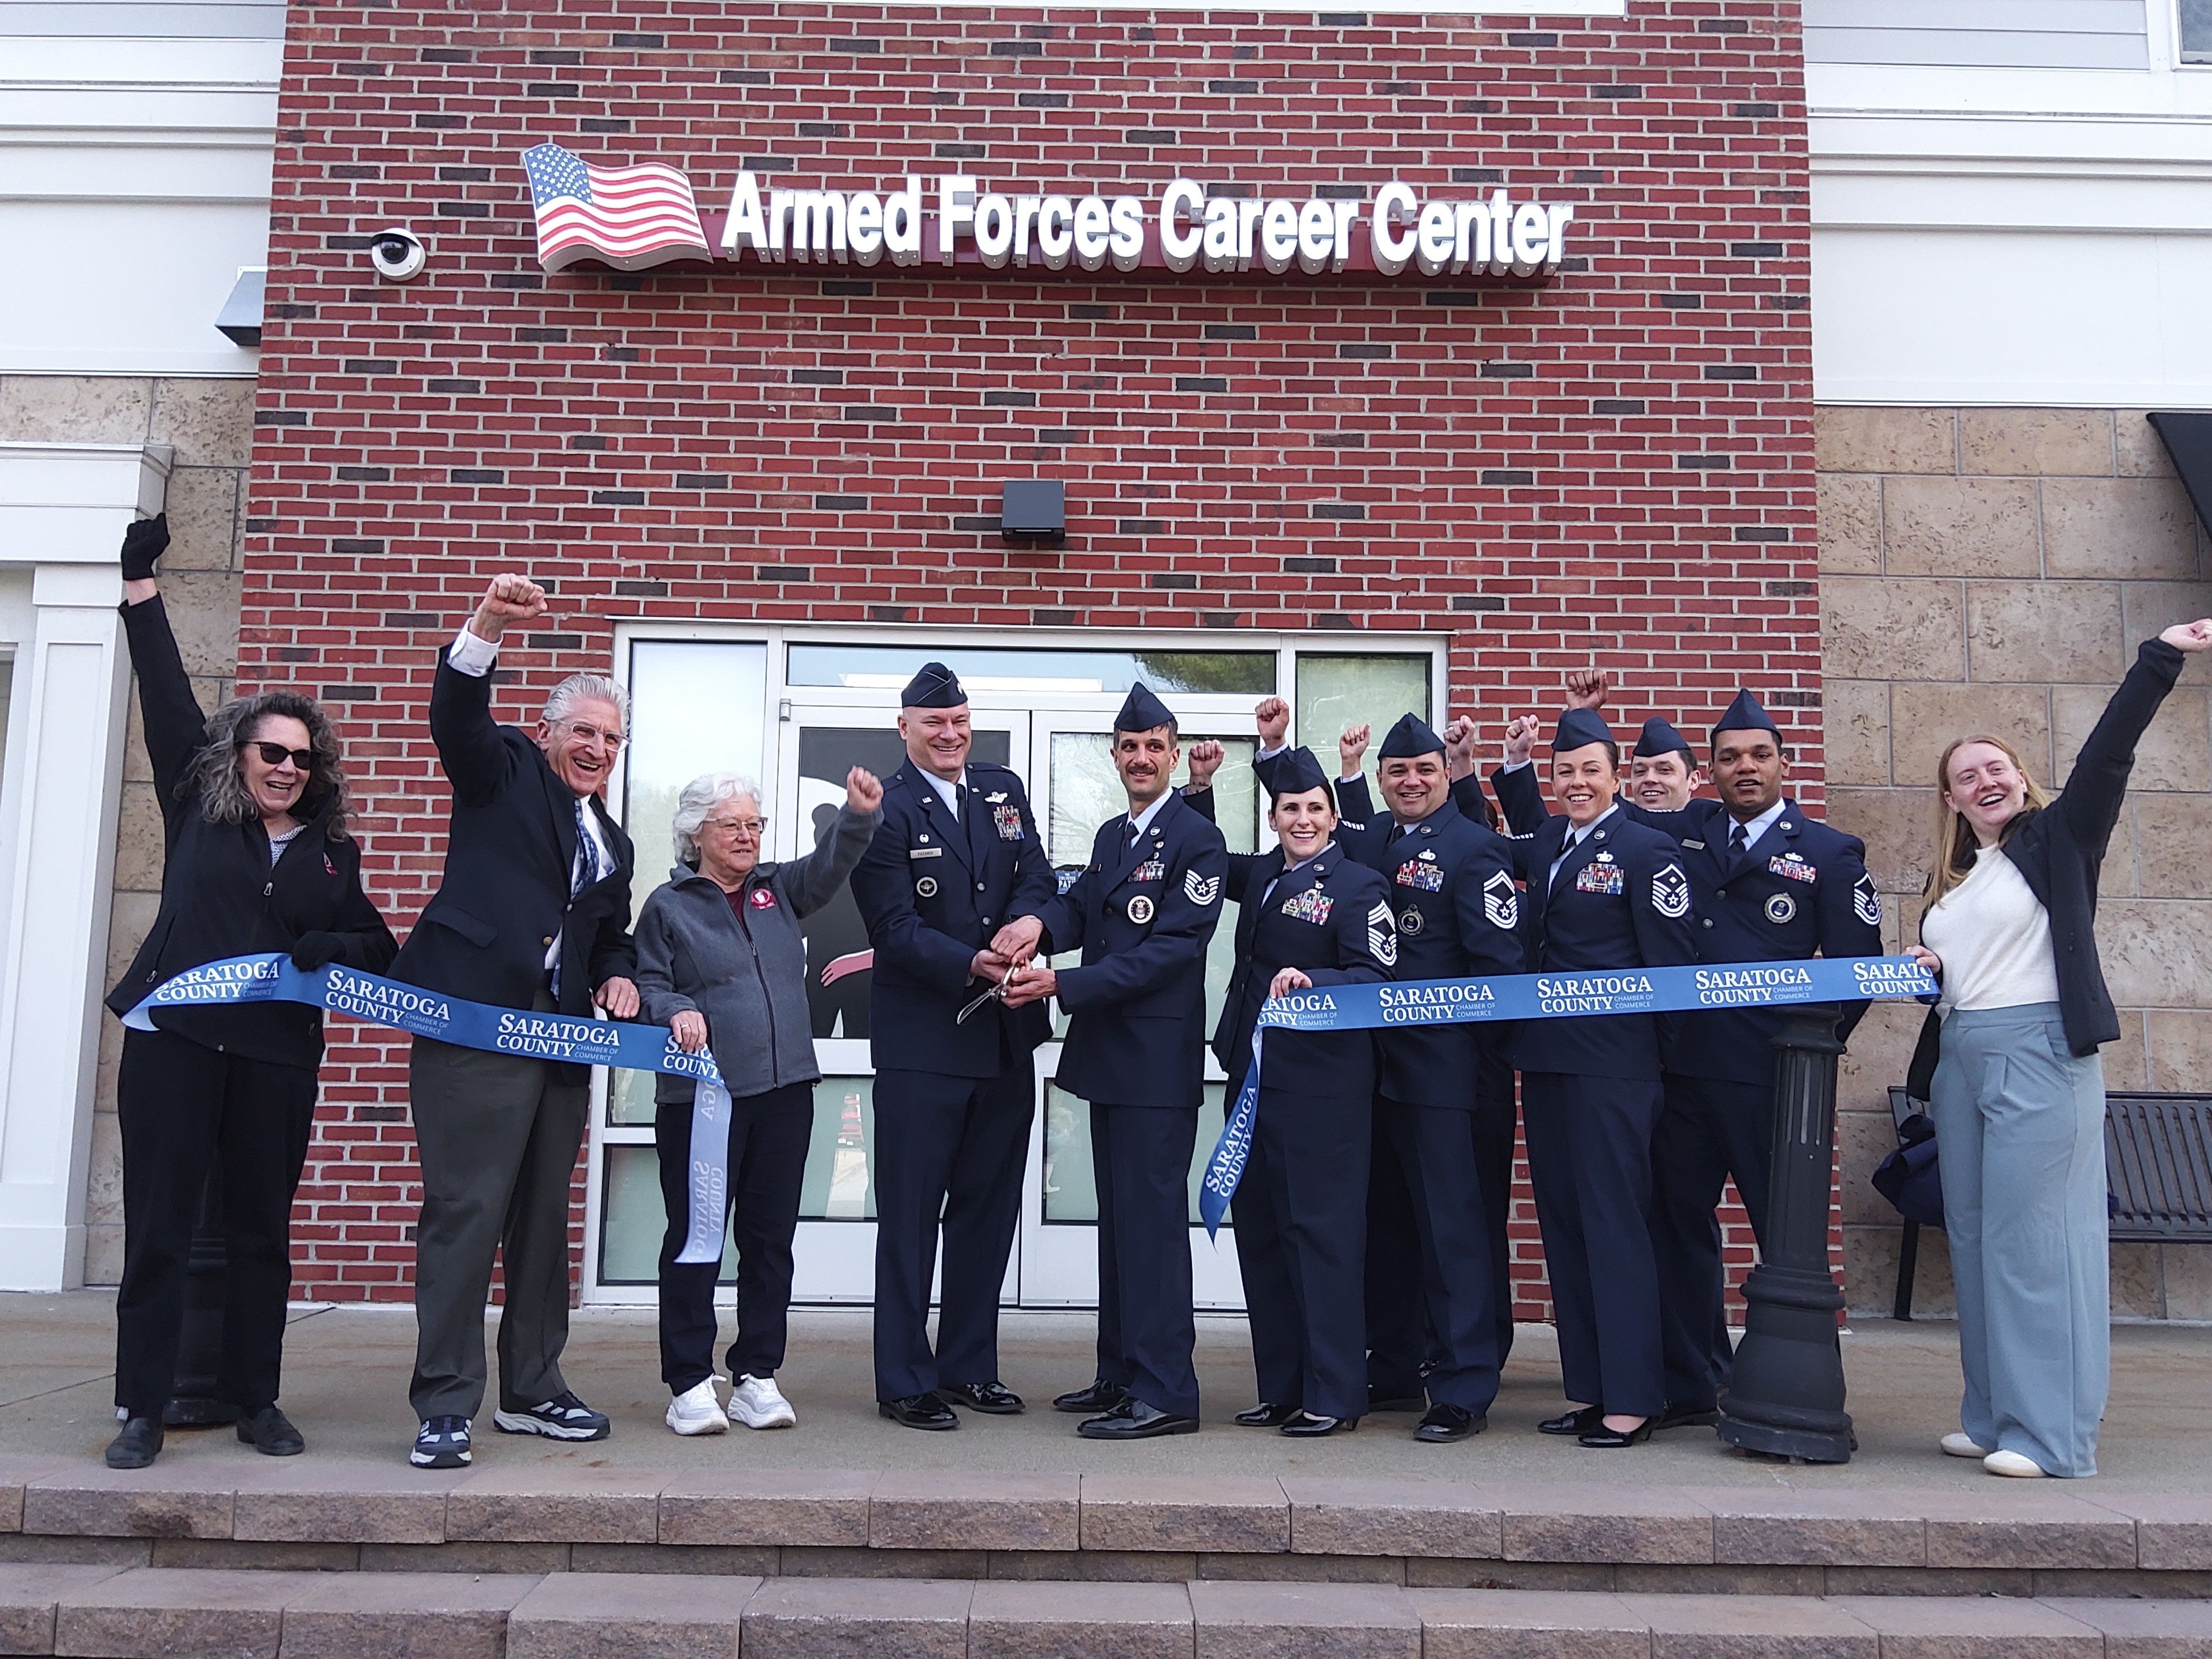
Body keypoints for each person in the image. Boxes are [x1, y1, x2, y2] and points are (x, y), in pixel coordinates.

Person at [1493, 678, 1883, 1430]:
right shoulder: (1685, 831)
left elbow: (1856, 969)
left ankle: (1802, 1395)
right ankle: (1687, 1385)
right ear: (1709, 770)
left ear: (1782, 763)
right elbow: (1585, 814)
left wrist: (1810, 1052)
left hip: (1767, 1073)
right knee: (1670, 1233)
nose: (1746, 767)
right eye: (1730, 756)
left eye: (1760, 756)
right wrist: (1551, 745)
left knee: (1787, 1238)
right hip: (1678, 1079)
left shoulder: (1828, 852)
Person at [101, 515, 397, 1470]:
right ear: (238, 756)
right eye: (271, 752)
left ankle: (256, 1399)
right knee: (161, 1230)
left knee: (263, 1233)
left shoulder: (332, 854)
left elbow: (378, 951)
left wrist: (330, 938)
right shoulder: (197, 806)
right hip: (176, 1049)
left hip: (275, 1057)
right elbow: (164, 694)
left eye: (303, 759)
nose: (285, 768)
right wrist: (141, 588)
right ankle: (141, 1407)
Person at [1907, 618, 2212, 1479]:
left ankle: (2050, 1437)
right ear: (1953, 802)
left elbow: (2109, 757)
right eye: (1966, 777)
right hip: (1964, 1054)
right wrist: (1929, 961)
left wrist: (2161, 656)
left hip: (2040, 1050)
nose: (1983, 779)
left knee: (2037, 1243)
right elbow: (1966, 966)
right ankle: (1996, 1413)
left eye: (1995, 766)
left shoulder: (2062, 839)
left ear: (2021, 778)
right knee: (1972, 1237)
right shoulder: (1957, 881)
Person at [388, 573, 640, 1470]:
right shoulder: (500, 771)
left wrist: (618, 982)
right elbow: (455, 716)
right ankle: (446, 1404)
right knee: (466, 1211)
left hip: (561, 1049)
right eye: (583, 731)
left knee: (540, 1220)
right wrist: (487, 625)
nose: (597, 748)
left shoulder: (614, 841)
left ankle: (534, 1389)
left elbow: (607, 939)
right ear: (546, 734)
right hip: (476, 1030)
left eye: (611, 738)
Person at [1007, 684, 1227, 1439]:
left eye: (1154, 747)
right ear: (1115, 756)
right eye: (1129, 748)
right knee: (1120, 1228)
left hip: (1155, 1065)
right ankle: (1122, 1372)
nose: (1141, 759)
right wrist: (1034, 927)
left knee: (1153, 1228)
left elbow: (1171, 951)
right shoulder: (1112, 835)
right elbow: (1084, 910)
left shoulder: (1196, 839)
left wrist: (1061, 982)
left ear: (1172, 754)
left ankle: (1167, 1392)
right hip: (1110, 1060)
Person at [635, 766, 881, 1436]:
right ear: (697, 833)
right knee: (697, 1240)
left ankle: (756, 1376)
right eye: (732, 825)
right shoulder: (669, 904)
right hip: (702, 1101)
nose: (747, 836)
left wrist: (857, 816)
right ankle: (688, 1382)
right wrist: (678, 1008)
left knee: (770, 1241)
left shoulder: (777, 889)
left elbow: (828, 870)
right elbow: (648, 984)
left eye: (755, 825)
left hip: (785, 1092)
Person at [849, 662, 1055, 1429]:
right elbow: (892, 927)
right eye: (935, 723)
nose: (951, 734)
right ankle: (903, 1379)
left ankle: (969, 1365)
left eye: (961, 720)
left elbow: (1038, 877)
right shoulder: (883, 811)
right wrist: (971, 960)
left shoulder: (1000, 791)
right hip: (924, 1047)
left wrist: (1034, 925)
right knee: (911, 1217)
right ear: (904, 727)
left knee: (987, 1211)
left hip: (1005, 1042)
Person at [1316, 714, 1527, 1442]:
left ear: (1445, 774)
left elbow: (1502, 973)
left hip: (1450, 1077)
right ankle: (1398, 1367)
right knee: (1391, 1230)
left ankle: (1465, 1384)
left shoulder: (1478, 850)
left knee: (1454, 1232)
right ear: (1381, 781)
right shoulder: (1370, 841)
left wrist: (1481, 1072)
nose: (1411, 781)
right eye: (1397, 772)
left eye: (1425, 771)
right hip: (1376, 1074)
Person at [1503, 708, 1697, 1448]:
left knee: (1615, 1228)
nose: (1577, 783)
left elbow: (1673, 968)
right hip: (1548, 1060)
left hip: (1615, 1066)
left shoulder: (1649, 850)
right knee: (1567, 1229)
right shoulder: (1550, 841)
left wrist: (1646, 1058)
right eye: (1565, 772)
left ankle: (1634, 1398)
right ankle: (1590, 1388)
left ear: (1617, 776)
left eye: (1590, 770)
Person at [1213, 746, 1398, 1437]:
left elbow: (1377, 981)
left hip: (1324, 1089)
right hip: (1255, 1080)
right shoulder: (1264, 877)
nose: (1303, 819)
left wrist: (1315, 983)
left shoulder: (1357, 886)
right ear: (1273, 817)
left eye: (1316, 808)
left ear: (1333, 817)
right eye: (1291, 808)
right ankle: (1283, 1386)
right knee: (1262, 1233)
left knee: (1322, 1236)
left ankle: (1336, 1394)